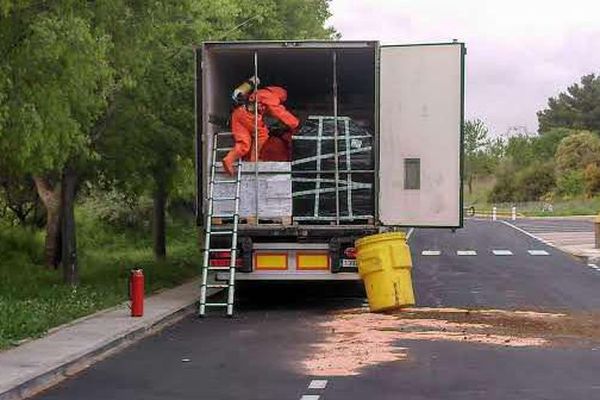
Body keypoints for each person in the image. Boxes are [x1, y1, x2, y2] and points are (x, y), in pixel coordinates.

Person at [222, 79, 299, 175]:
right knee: (262, 134)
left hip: (238, 113)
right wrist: (295, 123)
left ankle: (229, 159)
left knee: (244, 144)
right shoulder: (272, 98)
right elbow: (279, 112)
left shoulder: (261, 92)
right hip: (250, 117)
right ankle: (254, 160)